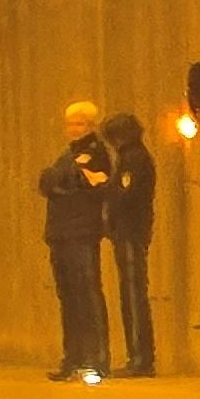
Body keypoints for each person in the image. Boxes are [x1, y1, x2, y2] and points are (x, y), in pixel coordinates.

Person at [40, 100, 117, 381]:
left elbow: (83, 184)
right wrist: (66, 179)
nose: (74, 129)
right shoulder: (69, 155)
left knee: (88, 295)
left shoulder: (96, 153)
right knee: (69, 298)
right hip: (61, 233)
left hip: (82, 233)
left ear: (91, 126)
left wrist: (65, 180)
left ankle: (96, 358)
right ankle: (73, 357)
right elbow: (47, 182)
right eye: (71, 124)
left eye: (80, 124)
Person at [98, 107, 158, 377]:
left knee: (133, 294)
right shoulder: (131, 157)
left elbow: (126, 193)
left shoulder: (134, 159)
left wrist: (106, 192)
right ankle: (138, 356)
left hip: (131, 231)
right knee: (131, 293)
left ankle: (140, 358)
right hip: (129, 230)